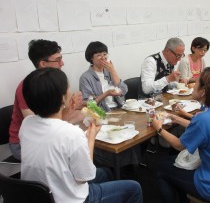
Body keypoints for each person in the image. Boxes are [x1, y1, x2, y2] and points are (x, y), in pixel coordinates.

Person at [20, 67, 143, 203]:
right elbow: (85, 177)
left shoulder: (27, 124)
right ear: (62, 98)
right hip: (70, 199)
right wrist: (91, 138)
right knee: (134, 188)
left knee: (105, 173)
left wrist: (67, 109)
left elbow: (52, 128)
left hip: (37, 196)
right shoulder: (72, 133)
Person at [152, 67, 210, 203]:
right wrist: (177, 118)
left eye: (196, 82)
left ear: (203, 91)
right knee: (170, 162)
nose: (193, 84)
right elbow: (204, 130)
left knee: (162, 169)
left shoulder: (204, 119)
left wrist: (159, 129)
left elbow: (179, 145)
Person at [9, 39, 83, 161]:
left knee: (82, 117)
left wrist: (71, 105)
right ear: (43, 64)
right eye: (58, 59)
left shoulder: (52, 82)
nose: (62, 63)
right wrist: (69, 107)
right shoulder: (28, 87)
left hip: (46, 133)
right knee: (77, 148)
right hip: (24, 143)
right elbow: (40, 125)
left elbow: (56, 118)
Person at [79, 41, 128, 112]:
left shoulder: (109, 71)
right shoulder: (85, 77)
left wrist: (113, 71)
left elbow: (124, 91)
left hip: (119, 108)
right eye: (99, 55)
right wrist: (106, 94)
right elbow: (89, 104)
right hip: (102, 113)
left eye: (105, 54)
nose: (103, 58)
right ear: (91, 58)